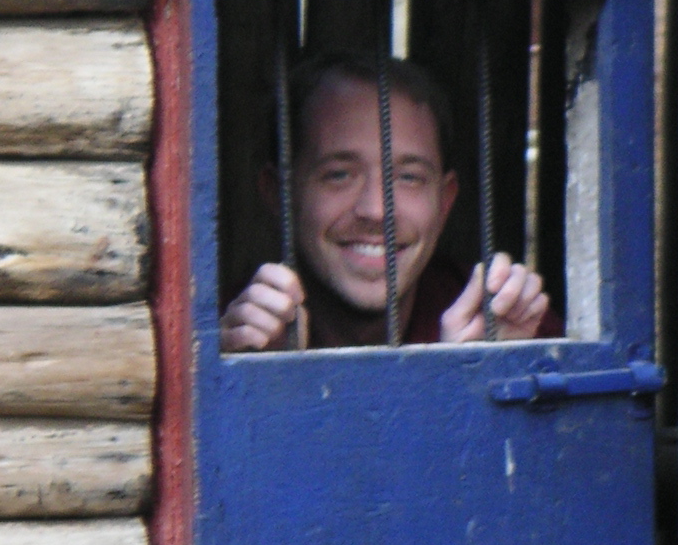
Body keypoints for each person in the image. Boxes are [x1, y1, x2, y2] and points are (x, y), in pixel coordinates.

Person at [220, 53, 552, 352]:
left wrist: (478, 381)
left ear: (445, 200)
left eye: (409, 177)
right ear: (278, 194)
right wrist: (260, 386)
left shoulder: (508, 327)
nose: (377, 210)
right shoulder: (219, 341)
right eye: (339, 175)